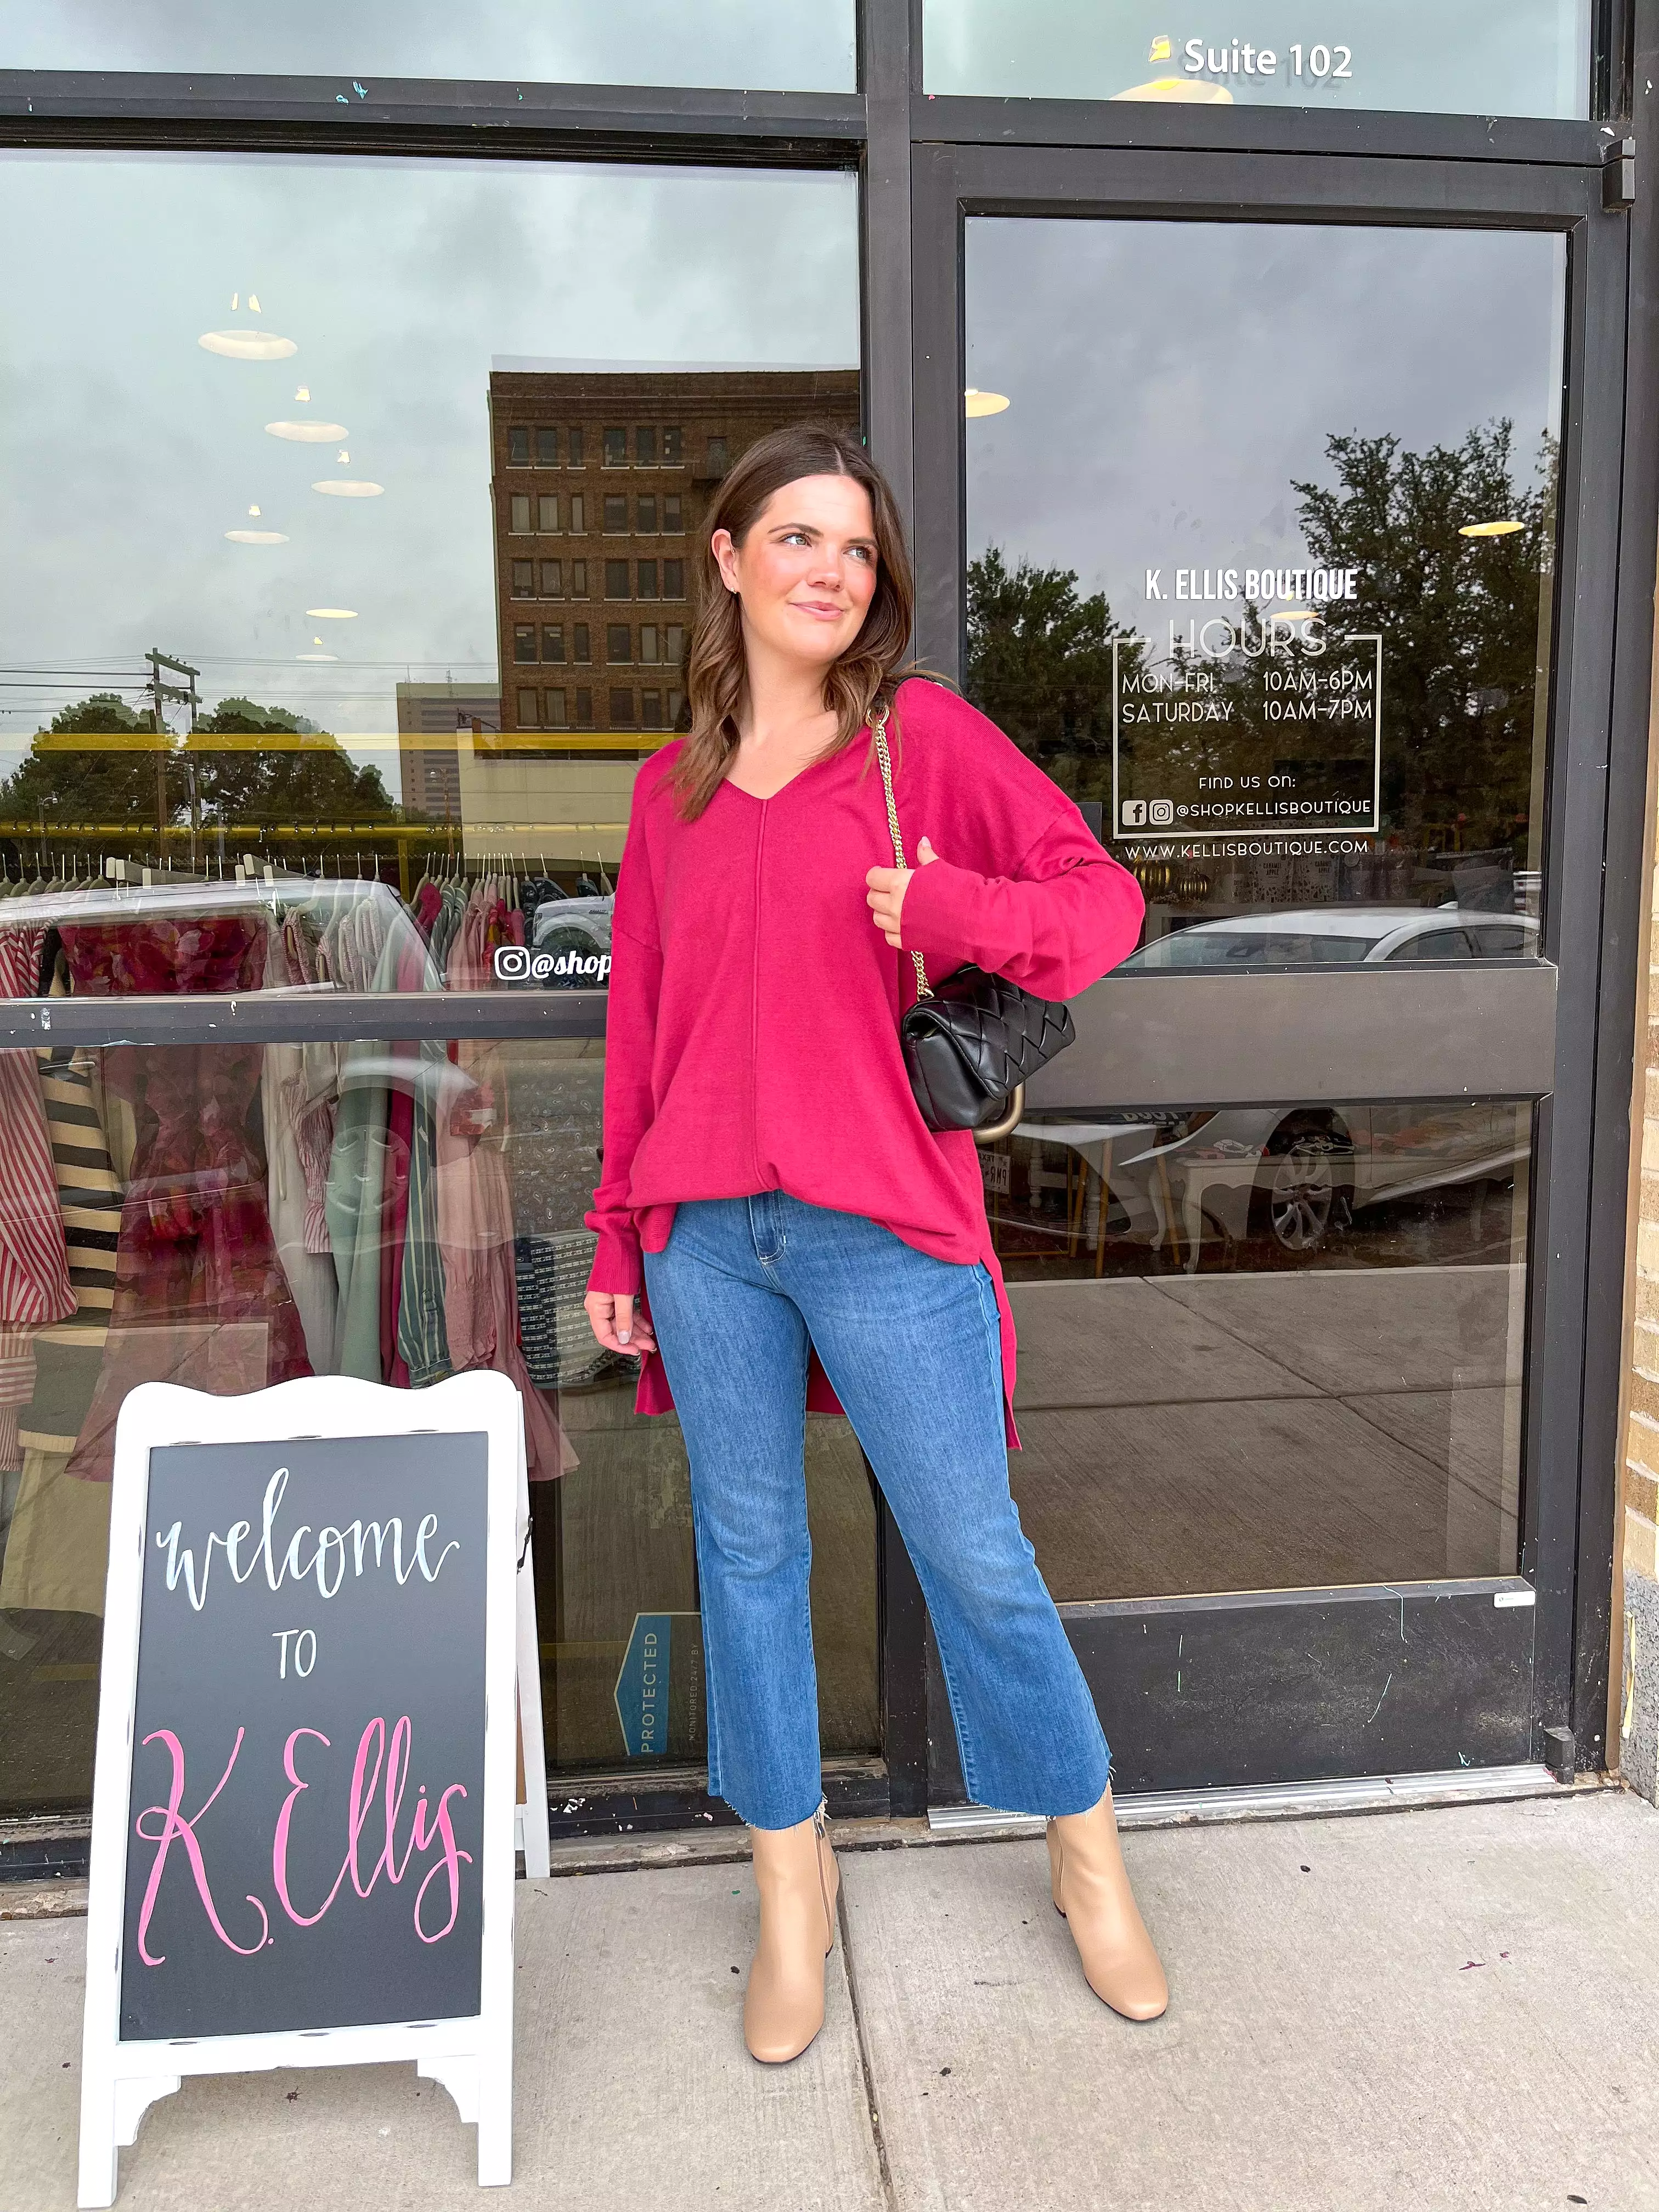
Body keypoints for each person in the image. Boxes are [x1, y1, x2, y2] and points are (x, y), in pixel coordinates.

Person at [585, 422, 1167, 2063]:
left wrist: (952, 913)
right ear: (729, 559)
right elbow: (641, 1028)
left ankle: (1083, 1847)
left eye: (855, 549)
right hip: (710, 1243)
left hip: (889, 1228)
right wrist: (625, 1235)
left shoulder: (920, 739)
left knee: (974, 1547)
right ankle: (790, 1881)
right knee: (748, 1559)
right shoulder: (666, 794)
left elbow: (1099, 907)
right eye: (797, 540)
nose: (831, 572)